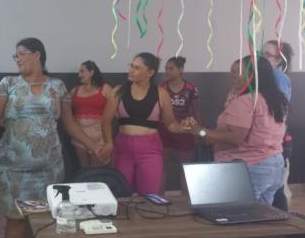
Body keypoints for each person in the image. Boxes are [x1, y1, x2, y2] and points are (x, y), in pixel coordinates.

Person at [0, 38, 101, 238]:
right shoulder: (7, 84)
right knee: (15, 222)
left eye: (21, 54)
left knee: (45, 222)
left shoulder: (57, 86)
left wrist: (93, 145)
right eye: (15, 56)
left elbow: (69, 124)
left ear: (37, 55)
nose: (17, 59)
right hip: (13, 169)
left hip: (49, 169)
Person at [189, 56, 288, 205]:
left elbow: (235, 137)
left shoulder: (247, 100)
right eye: (232, 72)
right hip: (273, 164)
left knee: (240, 213)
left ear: (252, 74)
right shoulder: (276, 99)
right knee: (262, 214)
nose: (233, 76)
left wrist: (200, 131)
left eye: (239, 72)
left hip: (250, 166)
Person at [99, 53, 190, 195]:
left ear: (150, 72)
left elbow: (171, 123)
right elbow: (106, 120)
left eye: (137, 68)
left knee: (150, 196)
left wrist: (181, 127)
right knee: (121, 195)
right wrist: (108, 143)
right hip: (123, 150)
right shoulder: (118, 91)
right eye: (131, 66)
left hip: (150, 151)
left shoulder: (161, 94)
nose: (131, 70)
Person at [158, 56, 202, 190]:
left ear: (181, 69)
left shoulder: (191, 88)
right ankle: (159, 196)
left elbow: (197, 111)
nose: (167, 71)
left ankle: (186, 197)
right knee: (161, 167)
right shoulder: (161, 88)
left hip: (185, 132)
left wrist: (200, 131)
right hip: (164, 131)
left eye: (171, 68)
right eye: (166, 68)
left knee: (185, 169)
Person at [263, 40, 295, 210]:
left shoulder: (278, 77)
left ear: (279, 60)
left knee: (276, 189)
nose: (261, 58)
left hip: (274, 139)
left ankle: (283, 220)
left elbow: (280, 110)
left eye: (267, 55)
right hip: (269, 139)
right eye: (260, 54)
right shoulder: (266, 76)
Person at [70, 61, 113, 168]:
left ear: (92, 72)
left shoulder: (105, 89)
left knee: (96, 171)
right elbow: (68, 114)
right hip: (80, 139)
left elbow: (114, 112)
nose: (79, 75)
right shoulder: (74, 91)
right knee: (84, 169)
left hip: (100, 138)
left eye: (82, 71)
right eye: (79, 72)